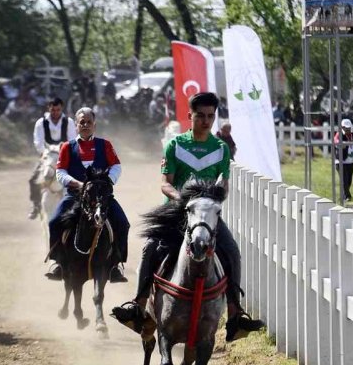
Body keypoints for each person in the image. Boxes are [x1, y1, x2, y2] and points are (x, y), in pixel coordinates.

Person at [111, 92, 264, 342]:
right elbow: (165, 183)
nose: (206, 121)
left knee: (232, 251)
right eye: (200, 116)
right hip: (176, 212)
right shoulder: (175, 145)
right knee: (150, 247)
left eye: (210, 116)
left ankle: (235, 315)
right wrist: (182, 199)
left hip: (206, 216)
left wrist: (214, 198)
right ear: (189, 116)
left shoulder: (221, 148)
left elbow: (224, 184)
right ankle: (137, 306)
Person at [44, 107, 129, 283]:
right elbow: (60, 172)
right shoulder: (67, 147)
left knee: (122, 223)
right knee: (53, 222)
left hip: (101, 198)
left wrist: (107, 182)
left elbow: (116, 166)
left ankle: (115, 265)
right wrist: (78, 184)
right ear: (76, 125)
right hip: (74, 197)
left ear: (94, 125)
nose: (85, 125)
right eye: (82, 122)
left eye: (89, 122)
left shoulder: (105, 145)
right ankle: (59, 262)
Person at [28, 97, 74, 219]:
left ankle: (76, 203)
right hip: (47, 156)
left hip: (64, 156)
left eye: (58, 110)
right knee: (33, 180)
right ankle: (36, 206)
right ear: (49, 108)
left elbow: (72, 140)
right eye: (53, 110)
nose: (55, 112)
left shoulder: (68, 122)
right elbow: (38, 141)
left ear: (61, 109)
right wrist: (45, 153)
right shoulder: (41, 123)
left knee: (78, 177)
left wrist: (63, 153)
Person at [334, 118, 353, 201]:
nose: (347, 130)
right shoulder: (339, 135)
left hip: (350, 162)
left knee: (349, 181)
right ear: (342, 128)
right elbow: (335, 141)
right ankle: (348, 196)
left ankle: (343, 196)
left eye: (349, 128)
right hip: (341, 162)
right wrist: (342, 144)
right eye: (346, 128)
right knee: (344, 180)